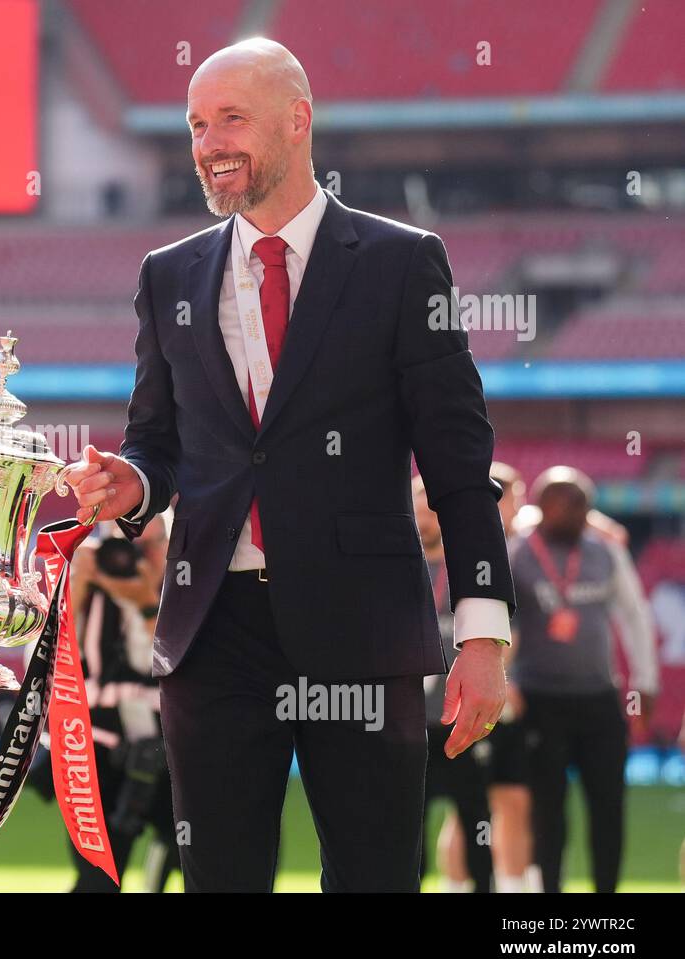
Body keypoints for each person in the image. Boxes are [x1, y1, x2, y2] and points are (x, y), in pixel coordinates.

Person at [63, 38, 515, 892]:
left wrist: (483, 632)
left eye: (231, 117)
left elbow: (458, 464)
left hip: (363, 625)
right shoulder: (169, 276)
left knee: (374, 876)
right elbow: (156, 445)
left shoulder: (400, 261)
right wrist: (132, 485)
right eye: (197, 124)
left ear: (298, 119)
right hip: (214, 629)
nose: (209, 142)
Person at [510, 466, 658, 892]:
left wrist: (645, 681)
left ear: (590, 511)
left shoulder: (606, 553)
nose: (570, 512)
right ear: (540, 507)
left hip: (599, 699)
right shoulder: (516, 551)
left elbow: (634, 616)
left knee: (608, 806)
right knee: (547, 810)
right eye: (558, 502)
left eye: (579, 505)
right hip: (539, 699)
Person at [28, 516, 180, 892]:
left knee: (206, 858)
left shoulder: (186, 593)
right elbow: (47, 659)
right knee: (98, 879)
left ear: (170, 547)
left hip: (169, 750)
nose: (133, 557)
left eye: (148, 547)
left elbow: (173, 662)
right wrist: (78, 583)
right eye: (125, 544)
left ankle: (159, 865)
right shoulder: (87, 591)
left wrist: (146, 602)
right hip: (93, 748)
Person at [437, 461, 534, 892]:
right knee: (470, 806)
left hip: (513, 693)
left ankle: (514, 886)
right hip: (486, 689)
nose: (517, 507)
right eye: (510, 498)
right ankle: (459, 886)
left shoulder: (522, 547)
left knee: (512, 799)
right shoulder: (463, 552)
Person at [413, 477, 493, 892]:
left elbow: (503, 632)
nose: (429, 512)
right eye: (421, 503)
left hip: (463, 717)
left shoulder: (473, 565)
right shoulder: (392, 563)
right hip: (407, 719)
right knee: (409, 829)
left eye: (434, 503)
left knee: (477, 819)